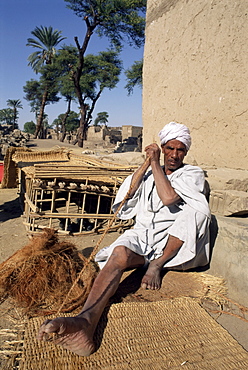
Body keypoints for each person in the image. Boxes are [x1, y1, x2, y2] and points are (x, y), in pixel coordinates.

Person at [38, 122, 211, 357]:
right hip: (141, 235)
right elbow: (124, 203)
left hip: (169, 242)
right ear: (163, 147)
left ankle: (157, 265)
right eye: (170, 148)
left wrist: (155, 164)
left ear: (186, 152)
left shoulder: (192, 174)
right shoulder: (150, 171)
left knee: (197, 211)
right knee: (118, 254)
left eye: (180, 150)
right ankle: (86, 321)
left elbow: (169, 197)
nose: (174, 155)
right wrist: (145, 165)